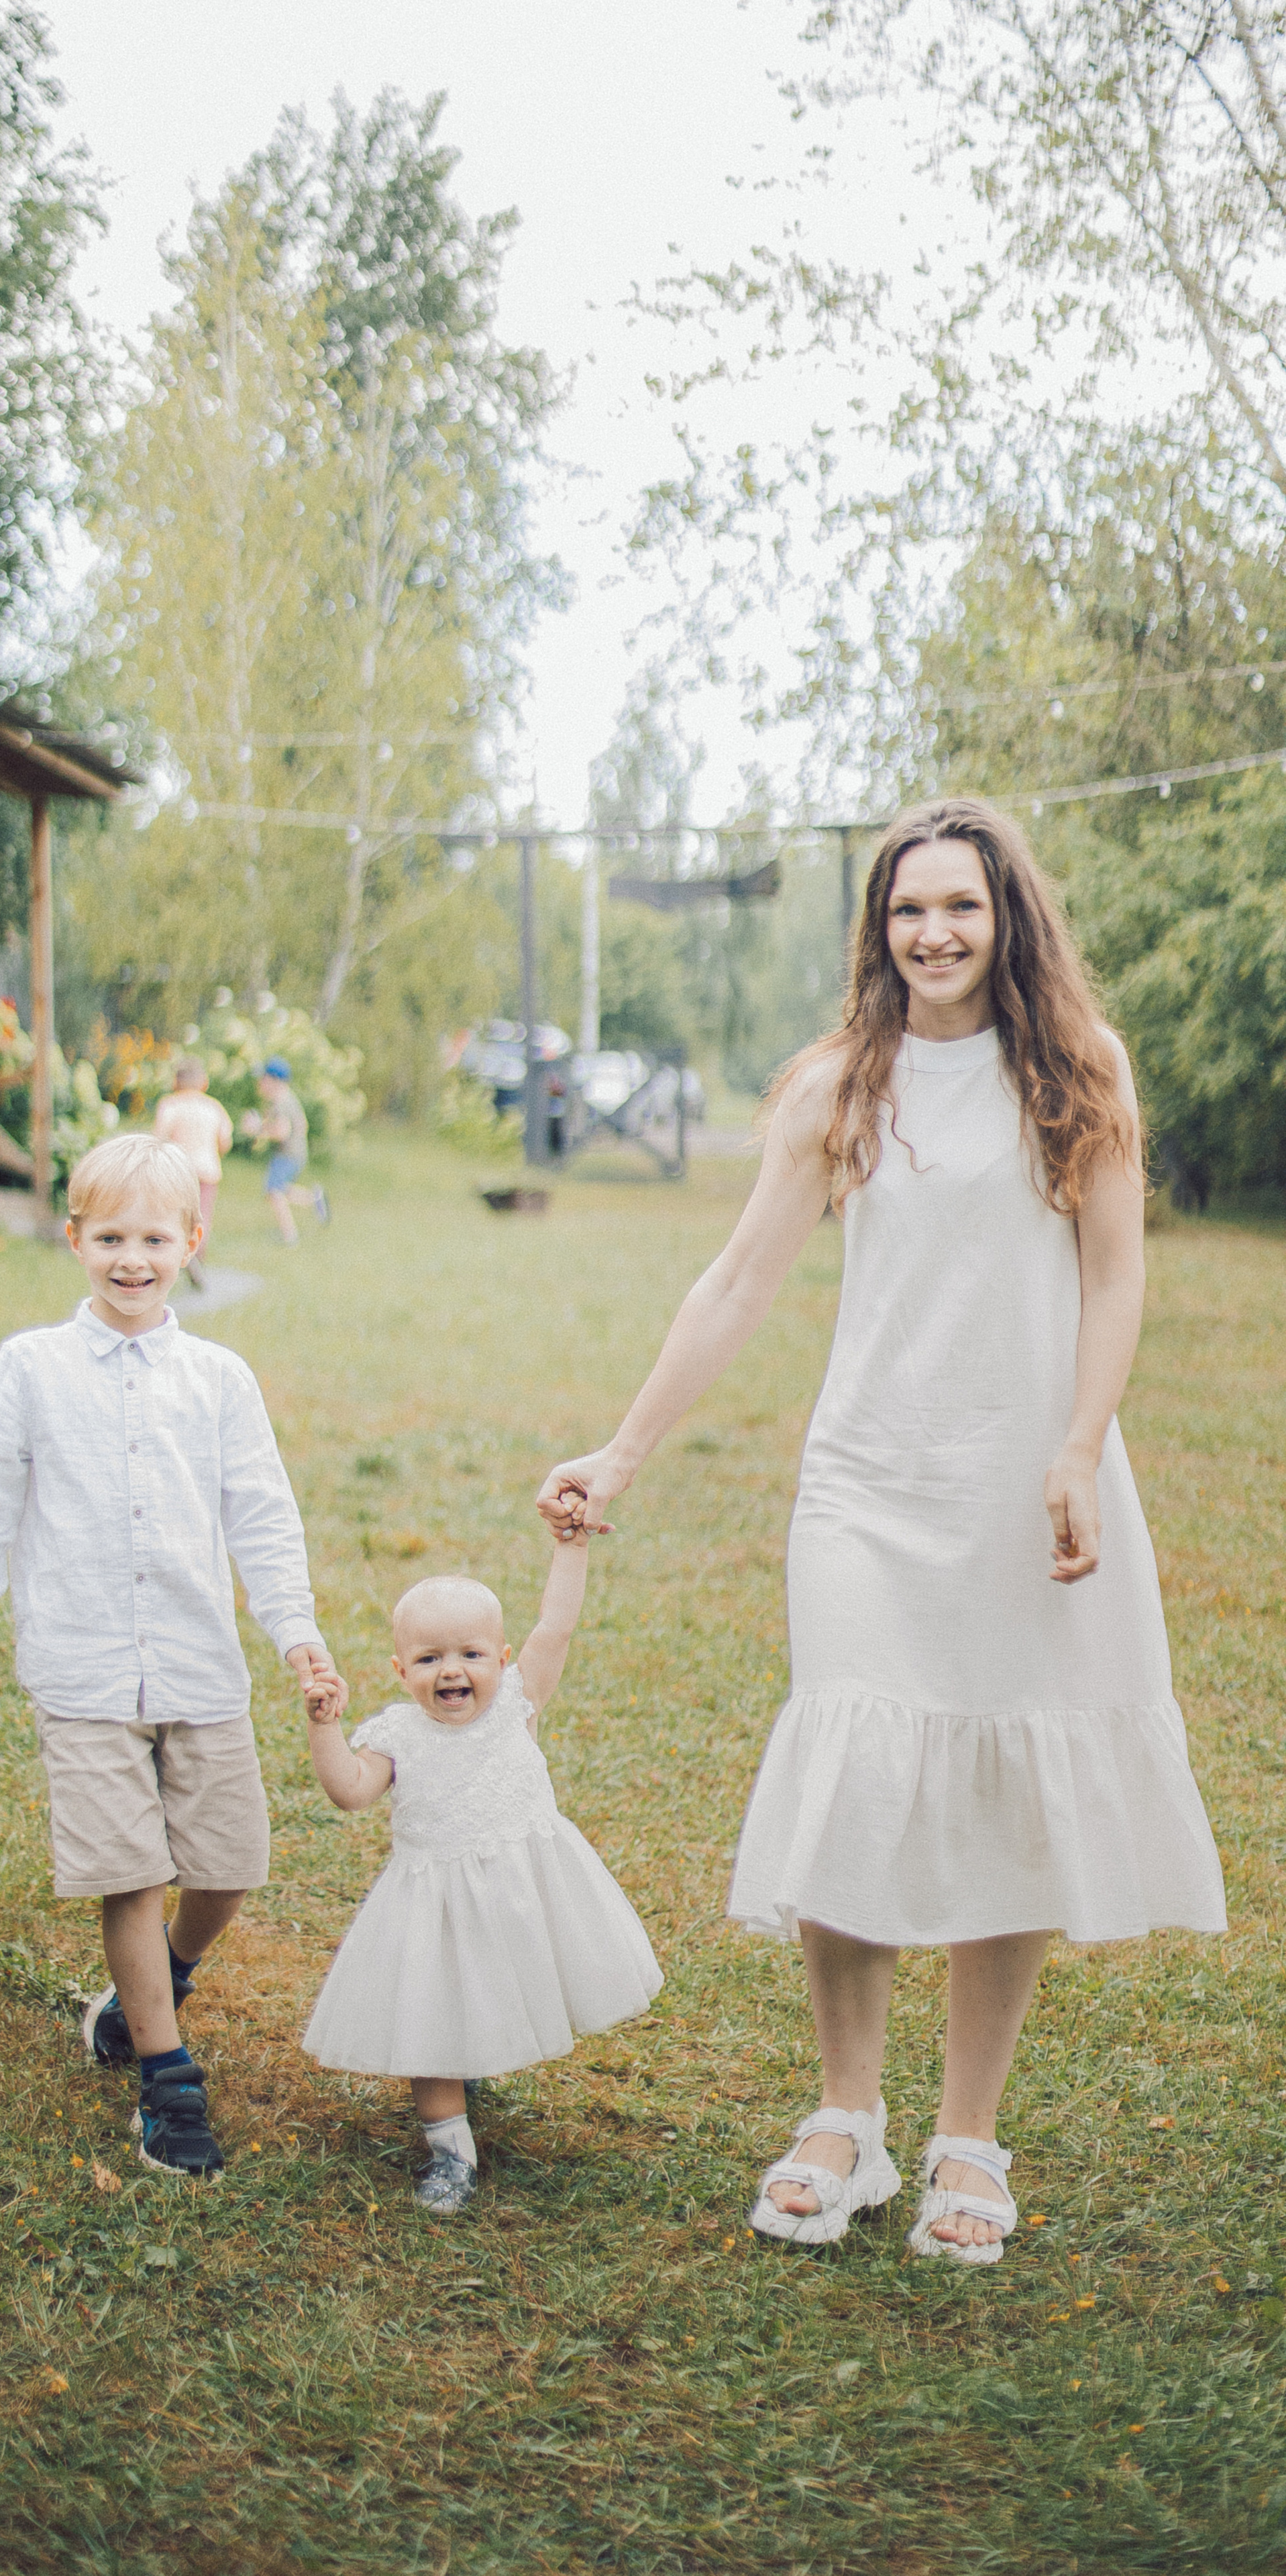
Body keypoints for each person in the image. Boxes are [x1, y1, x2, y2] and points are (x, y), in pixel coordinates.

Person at [537, 797, 1225, 2265]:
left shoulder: (1073, 1071)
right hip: (864, 1487)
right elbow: (733, 1283)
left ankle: (965, 2137)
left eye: (959, 907)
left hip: (1027, 1485)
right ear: (877, 926)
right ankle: (843, 2120)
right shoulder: (840, 1083)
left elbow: (1112, 1283)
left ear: (1006, 917)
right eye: (908, 909)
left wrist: (1078, 1446)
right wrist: (624, 1447)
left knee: (1003, 1780)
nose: (932, 933)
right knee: (852, 1772)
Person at [0, 1131, 347, 2178]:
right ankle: (167, 2079)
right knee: (131, 1871)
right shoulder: (31, 1368)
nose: (131, 1258)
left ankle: (158, 1980)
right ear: (74, 1239)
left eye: (154, 1237)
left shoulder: (218, 1378)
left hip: (201, 1665)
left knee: (232, 1861)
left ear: (192, 1241)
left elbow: (263, 1517)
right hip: (85, 1670)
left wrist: (298, 1636)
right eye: (109, 1236)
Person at [300, 1540, 662, 2216]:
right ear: (400, 1669)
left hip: (525, 1893)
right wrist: (325, 1728)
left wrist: (570, 1547)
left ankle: (480, 2066)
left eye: (470, 1654)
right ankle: (449, 2148)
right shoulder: (398, 1735)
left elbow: (555, 1625)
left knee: (502, 1988)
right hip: (433, 1906)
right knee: (433, 2016)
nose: (451, 1671)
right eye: (429, 1658)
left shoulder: (515, 1706)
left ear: (500, 1659)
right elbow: (349, 1792)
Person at [153, 1057, 233, 1291]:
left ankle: (175, 1255)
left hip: (179, 1170)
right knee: (202, 1216)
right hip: (208, 1170)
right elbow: (225, 1141)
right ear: (204, 1083)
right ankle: (197, 1256)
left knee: (174, 1216)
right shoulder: (213, 1107)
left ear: (176, 1082)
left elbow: (160, 1137)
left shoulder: (171, 1105)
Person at [245, 1056, 328, 1245]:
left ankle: (290, 1236)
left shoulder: (281, 1102)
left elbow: (282, 1132)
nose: (260, 1083)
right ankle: (314, 1199)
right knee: (279, 1190)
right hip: (293, 1153)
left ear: (274, 1081)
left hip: (288, 1154)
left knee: (275, 1193)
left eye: (263, 1079)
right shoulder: (282, 1099)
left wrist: (257, 1129)